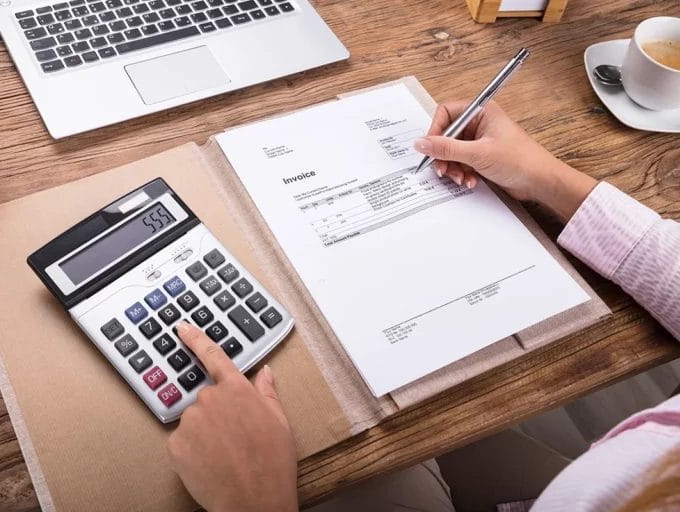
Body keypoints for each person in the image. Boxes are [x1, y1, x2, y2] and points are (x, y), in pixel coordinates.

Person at [167, 100, 680, 511]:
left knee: (363, 463)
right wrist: (546, 177)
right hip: (594, 471)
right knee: (416, 442)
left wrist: (255, 501)